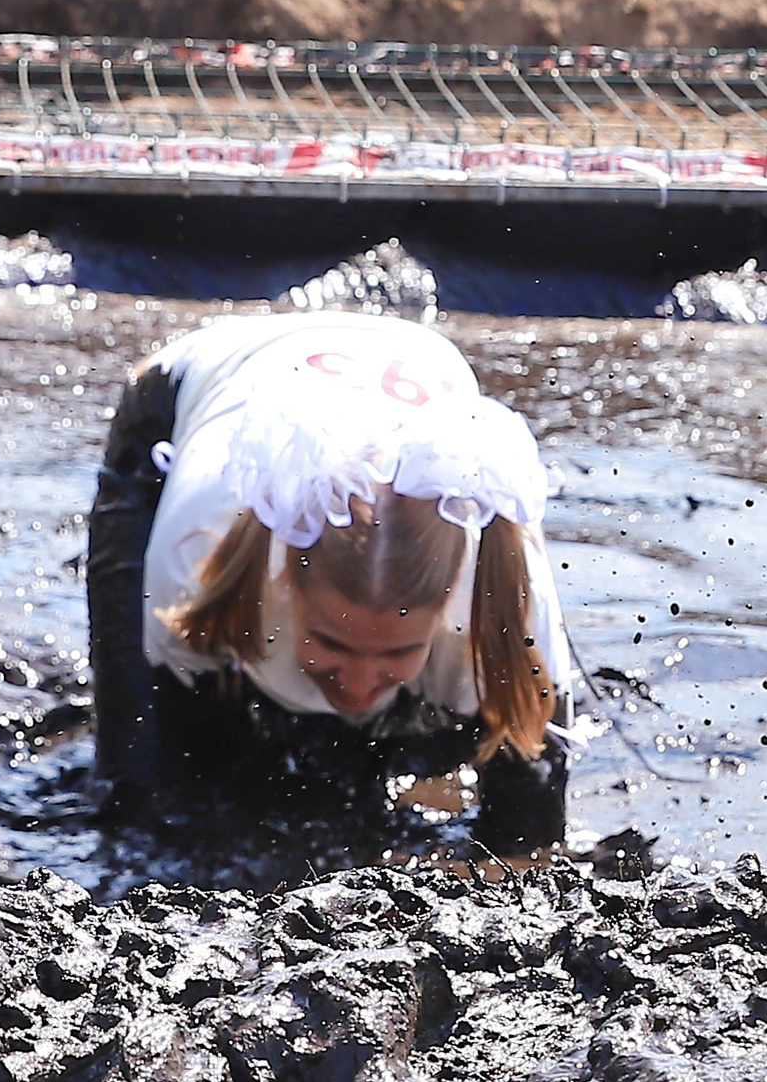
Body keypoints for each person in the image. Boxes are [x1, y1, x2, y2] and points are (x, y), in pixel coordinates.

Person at [87, 312, 573, 855]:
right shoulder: (199, 546)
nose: (363, 685)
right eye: (334, 641)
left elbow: (532, 817)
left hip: (413, 355)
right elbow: (174, 738)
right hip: (185, 387)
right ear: (287, 584)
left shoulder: (504, 582)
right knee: (139, 794)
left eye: (397, 649)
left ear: (446, 605)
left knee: (485, 746)